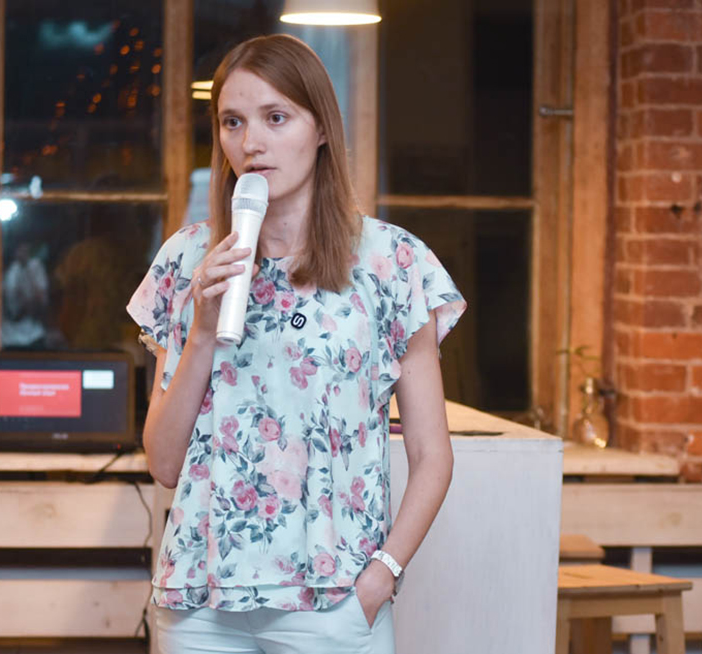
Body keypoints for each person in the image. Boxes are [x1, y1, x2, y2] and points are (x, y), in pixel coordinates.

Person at [126, 34, 465, 654]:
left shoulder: (393, 263)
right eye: (233, 122)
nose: (250, 143)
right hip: (199, 602)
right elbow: (165, 463)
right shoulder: (187, 260)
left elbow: (431, 453)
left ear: (322, 128)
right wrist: (202, 331)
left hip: (333, 601)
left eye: (275, 117)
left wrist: (382, 575)